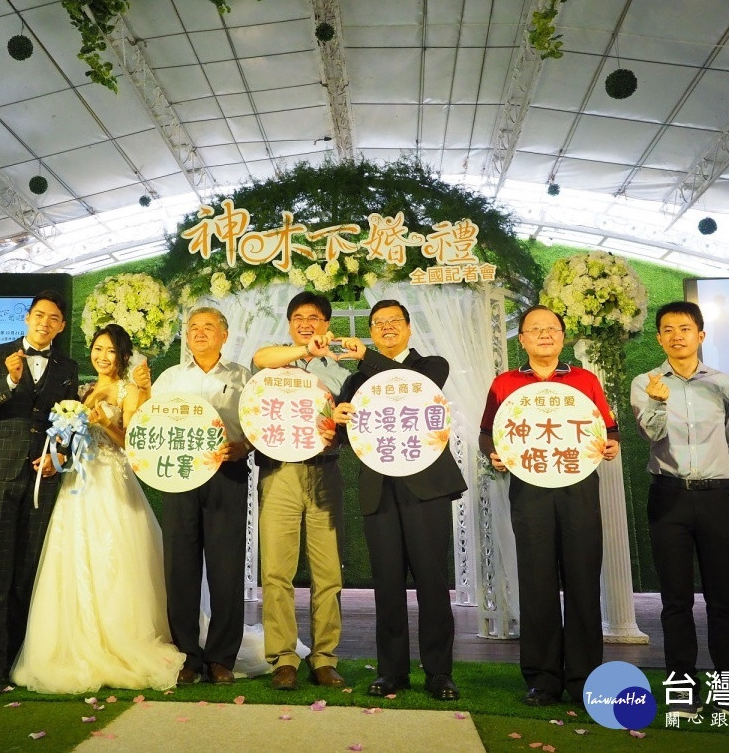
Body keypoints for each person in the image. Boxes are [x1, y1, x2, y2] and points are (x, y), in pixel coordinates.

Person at [11, 323, 184, 692]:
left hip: (111, 480)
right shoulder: (82, 390)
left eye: (110, 351)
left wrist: (106, 423)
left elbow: (133, 444)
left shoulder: (128, 391)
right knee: (72, 558)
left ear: (122, 356)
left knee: (115, 557)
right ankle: (73, 641)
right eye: (97, 349)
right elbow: (70, 439)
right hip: (77, 482)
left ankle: (120, 638)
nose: (102, 356)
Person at [479, 304, 619, 707]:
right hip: (530, 490)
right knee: (537, 582)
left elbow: (609, 428)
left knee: (582, 579)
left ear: (562, 337)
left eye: (552, 328)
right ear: (522, 339)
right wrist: (493, 454)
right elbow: (487, 433)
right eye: (535, 329)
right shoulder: (505, 383)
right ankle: (542, 679)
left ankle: (583, 678)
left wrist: (612, 444)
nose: (544, 334)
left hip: (578, 487)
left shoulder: (584, 380)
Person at [333, 299, 467, 701]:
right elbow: (348, 437)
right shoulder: (356, 381)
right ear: (372, 332)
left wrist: (366, 356)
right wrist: (339, 420)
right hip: (379, 489)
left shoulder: (431, 366)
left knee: (432, 582)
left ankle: (439, 673)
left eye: (394, 321)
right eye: (378, 323)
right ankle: (391, 671)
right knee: (387, 584)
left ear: (408, 328)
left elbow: (412, 387)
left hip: (427, 488)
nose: (387, 327)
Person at [630, 301, 729, 716]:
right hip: (668, 495)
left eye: (684, 328)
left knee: (723, 599)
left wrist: (718, 476)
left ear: (700, 335)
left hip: (716, 496)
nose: (676, 335)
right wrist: (658, 403)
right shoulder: (646, 382)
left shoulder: (724, 384)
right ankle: (682, 690)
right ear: (659, 338)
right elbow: (651, 434)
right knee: (675, 600)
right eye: (667, 329)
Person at [0, 290, 79, 699]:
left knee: (28, 572)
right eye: (39, 315)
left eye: (53, 318)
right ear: (27, 317)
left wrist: (59, 456)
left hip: (42, 477)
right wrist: (11, 380)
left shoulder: (68, 367)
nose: (44, 323)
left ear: (61, 326)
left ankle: (19, 659)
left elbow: (70, 420)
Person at [251, 291, 347, 692]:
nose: (306, 323)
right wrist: (304, 351)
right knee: (276, 570)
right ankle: (284, 658)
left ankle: (324, 658)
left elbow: (351, 415)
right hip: (280, 473)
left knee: (328, 573)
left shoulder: (339, 371)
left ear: (327, 325)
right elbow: (260, 357)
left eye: (314, 318)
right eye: (298, 318)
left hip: (325, 471)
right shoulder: (274, 362)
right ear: (290, 324)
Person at [151, 306, 251, 686]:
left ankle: (222, 658)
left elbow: (256, 425)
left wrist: (244, 447)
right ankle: (187, 656)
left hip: (227, 473)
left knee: (227, 569)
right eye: (193, 327)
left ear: (224, 335)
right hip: (180, 476)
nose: (200, 332)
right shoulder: (170, 378)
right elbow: (150, 424)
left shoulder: (243, 377)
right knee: (180, 568)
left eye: (209, 327)